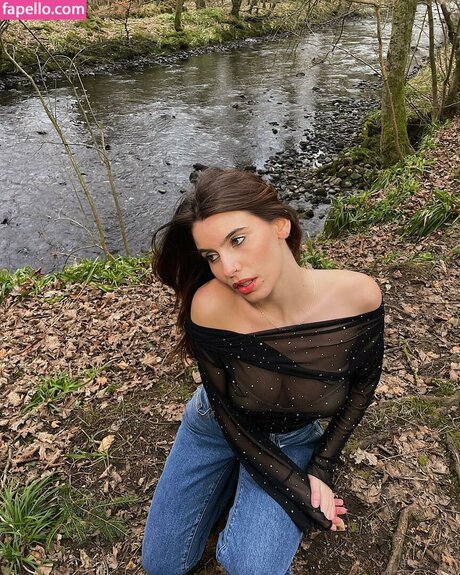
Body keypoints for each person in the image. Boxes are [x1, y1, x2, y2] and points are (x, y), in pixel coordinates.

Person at [142, 167, 384, 575]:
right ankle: (230, 475)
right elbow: (227, 415)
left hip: (292, 436)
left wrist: (321, 466)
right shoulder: (210, 306)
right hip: (219, 426)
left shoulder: (357, 296)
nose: (228, 268)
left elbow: (363, 386)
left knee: (251, 566)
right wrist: (296, 487)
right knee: (161, 565)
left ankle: (236, 483)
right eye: (211, 256)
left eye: (237, 240)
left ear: (280, 225)